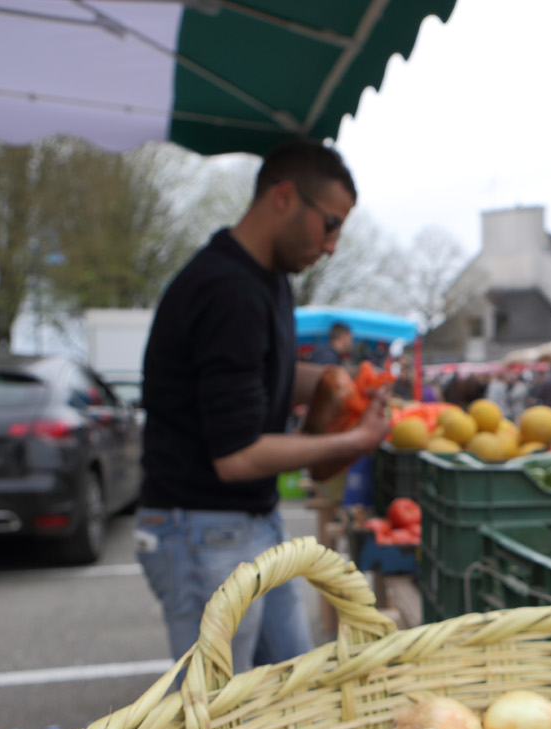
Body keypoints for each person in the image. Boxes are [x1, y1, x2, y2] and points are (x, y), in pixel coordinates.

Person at [135, 137, 389, 674]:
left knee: (291, 693)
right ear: (283, 198)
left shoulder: (267, 280)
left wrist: (338, 382)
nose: (333, 245)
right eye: (331, 223)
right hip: (200, 531)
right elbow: (238, 455)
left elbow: (263, 374)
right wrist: (355, 441)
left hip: (248, 522)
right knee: (217, 721)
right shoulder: (227, 290)